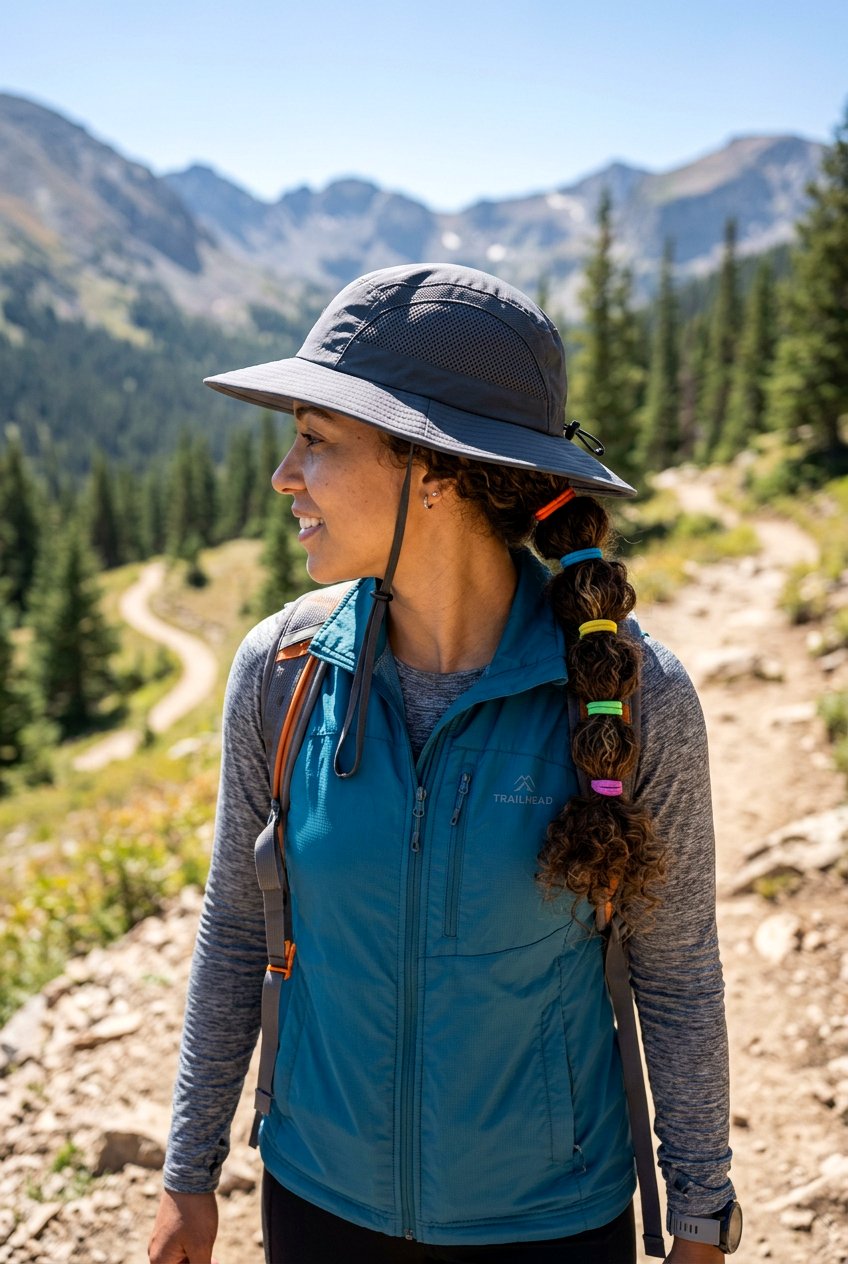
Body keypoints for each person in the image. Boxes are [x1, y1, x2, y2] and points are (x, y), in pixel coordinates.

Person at [149, 264, 739, 1264]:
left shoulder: (633, 697)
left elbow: (674, 975)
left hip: (549, 1224)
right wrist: (188, 1172)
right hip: (316, 1205)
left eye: (316, 441)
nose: (284, 477)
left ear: (434, 470)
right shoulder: (279, 673)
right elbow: (236, 927)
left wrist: (697, 1218)